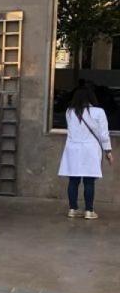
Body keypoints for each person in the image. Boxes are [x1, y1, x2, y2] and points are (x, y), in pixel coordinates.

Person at [58, 87, 113, 219]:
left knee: (73, 180)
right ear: (91, 97)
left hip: (73, 149)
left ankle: (72, 209)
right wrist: (108, 151)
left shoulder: (69, 112)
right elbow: (104, 134)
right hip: (90, 150)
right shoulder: (98, 112)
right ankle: (89, 211)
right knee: (89, 181)